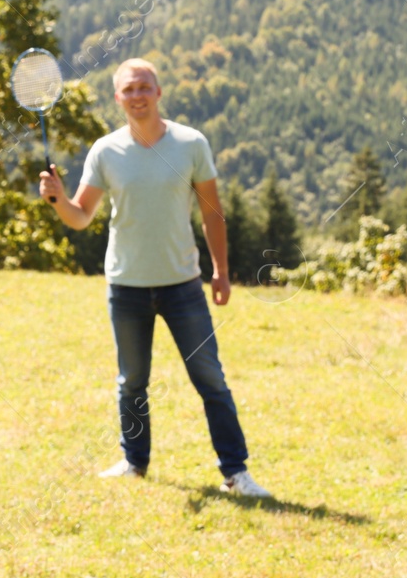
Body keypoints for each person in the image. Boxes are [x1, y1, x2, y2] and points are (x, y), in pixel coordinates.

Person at [39, 58, 272, 499]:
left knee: (210, 379)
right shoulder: (105, 151)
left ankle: (236, 473)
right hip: (125, 286)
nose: (137, 95)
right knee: (132, 382)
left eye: (144, 87)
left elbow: (211, 214)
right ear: (117, 98)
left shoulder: (191, 144)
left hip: (182, 285)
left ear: (159, 92)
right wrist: (57, 199)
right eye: (129, 89)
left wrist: (221, 272)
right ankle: (134, 463)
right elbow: (81, 216)